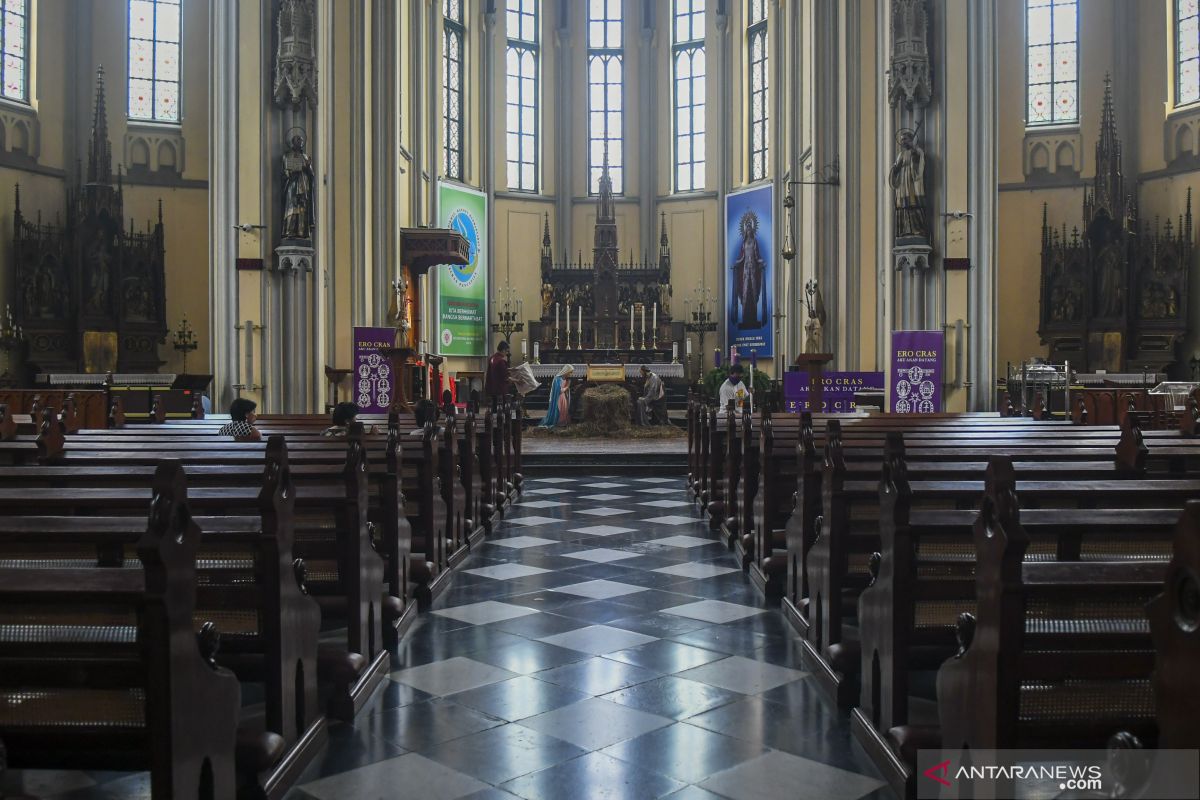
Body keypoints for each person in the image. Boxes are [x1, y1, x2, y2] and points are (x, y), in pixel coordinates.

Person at [539, 364, 574, 428]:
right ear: (566, 371)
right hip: (558, 398)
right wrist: (567, 386)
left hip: (563, 397)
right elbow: (559, 391)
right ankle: (558, 422)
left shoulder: (564, 379)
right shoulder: (557, 379)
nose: (571, 374)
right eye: (570, 372)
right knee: (559, 409)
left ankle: (562, 422)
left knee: (564, 409)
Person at [485, 341, 512, 406]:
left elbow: (495, 371)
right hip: (500, 389)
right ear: (503, 350)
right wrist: (516, 380)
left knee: (494, 408)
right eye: (507, 351)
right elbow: (505, 376)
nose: (507, 353)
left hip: (491, 388)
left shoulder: (492, 358)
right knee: (501, 410)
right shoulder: (501, 361)